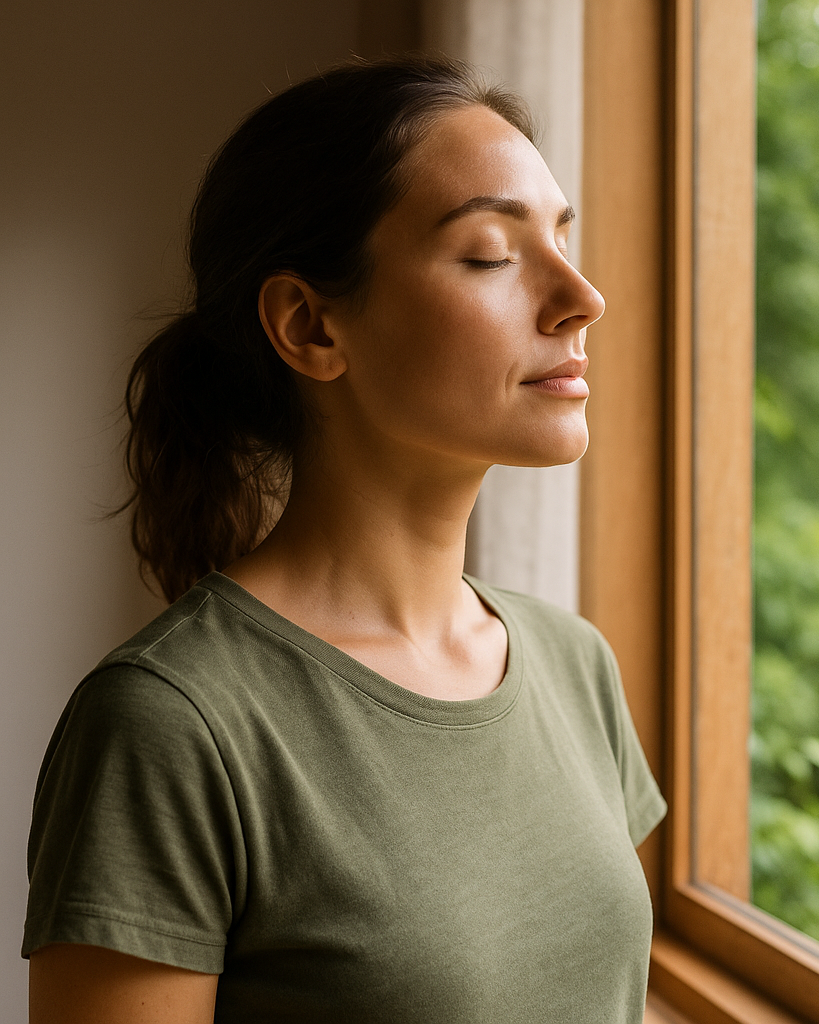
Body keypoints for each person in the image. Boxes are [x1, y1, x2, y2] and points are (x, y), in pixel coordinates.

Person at [22, 55, 667, 1024]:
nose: (583, 296)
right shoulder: (171, 723)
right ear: (310, 325)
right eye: (492, 253)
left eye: (563, 240)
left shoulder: (575, 666)